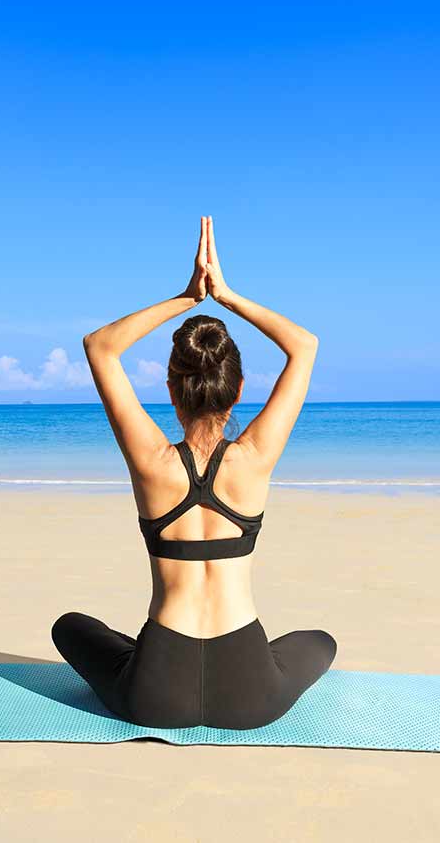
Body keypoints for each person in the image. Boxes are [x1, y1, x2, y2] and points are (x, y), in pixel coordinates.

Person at [51, 216, 336, 730]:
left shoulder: (152, 464)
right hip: (252, 697)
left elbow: (100, 345)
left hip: (153, 694)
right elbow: (305, 344)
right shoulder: (253, 460)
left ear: (169, 384)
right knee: (320, 642)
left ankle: (139, 655)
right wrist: (225, 295)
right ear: (241, 386)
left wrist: (187, 296)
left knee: (70, 627)